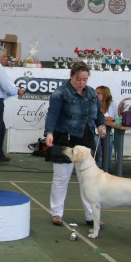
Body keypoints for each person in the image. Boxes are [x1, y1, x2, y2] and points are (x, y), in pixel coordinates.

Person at [44, 61, 106, 226]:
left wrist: (101, 125)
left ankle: (91, 215)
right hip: (65, 137)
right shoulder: (60, 93)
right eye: (79, 79)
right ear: (71, 76)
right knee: (61, 177)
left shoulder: (91, 93)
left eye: (85, 79)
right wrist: (49, 133)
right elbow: (52, 114)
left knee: (88, 179)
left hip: (86, 138)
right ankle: (56, 213)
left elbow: (98, 114)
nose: (82, 83)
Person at [95, 85, 118, 168]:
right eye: (95, 93)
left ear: (105, 95)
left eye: (98, 93)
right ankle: (96, 166)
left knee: (109, 143)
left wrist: (111, 119)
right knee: (96, 142)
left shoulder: (112, 104)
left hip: (108, 131)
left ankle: (107, 168)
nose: (96, 95)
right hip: (95, 131)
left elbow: (116, 118)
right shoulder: (93, 103)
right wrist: (104, 118)